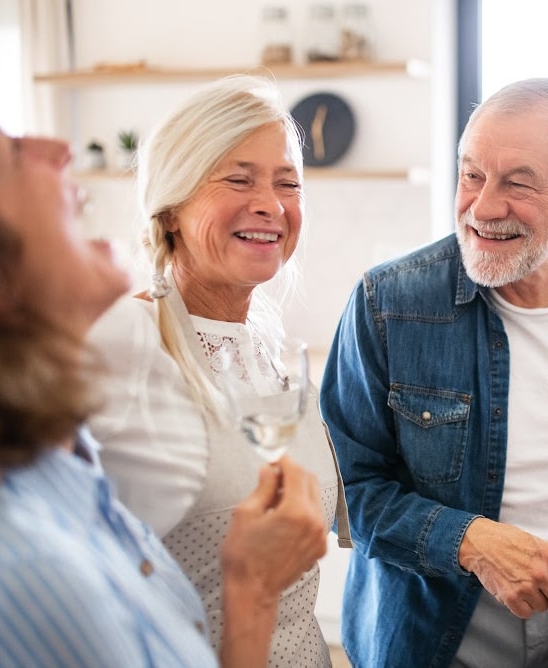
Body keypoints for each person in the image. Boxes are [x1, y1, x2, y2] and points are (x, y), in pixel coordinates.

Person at [321, 78, 548, 668]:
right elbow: (344, 493)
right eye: (471, 174)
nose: (482, 208)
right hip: (432, 631)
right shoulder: (389, 303)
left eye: (518, 183)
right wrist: (470, 541)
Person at [0, 119, 329, 667]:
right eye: (8, 153)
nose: (60, 146)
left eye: (288, 182)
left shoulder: (63, 476)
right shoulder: (31, 575)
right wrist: (254, 595)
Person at [84, 75, 352, 666]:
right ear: (172, 207)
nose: (271, 204)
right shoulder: (124, 346)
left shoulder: (269, 343)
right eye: (238, 178)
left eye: (288, 183)